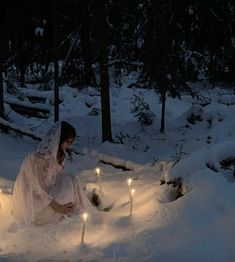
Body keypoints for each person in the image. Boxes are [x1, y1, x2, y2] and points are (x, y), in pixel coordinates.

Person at [12, 121, 100, 226]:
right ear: (59, 139)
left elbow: (56, 177)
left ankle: (82, 209)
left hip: (47, 191)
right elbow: (38, 190)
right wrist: (57, 207)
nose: (69, 146)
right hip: (35, 202)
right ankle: (67, 211)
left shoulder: (56, 153)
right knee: (68, 191)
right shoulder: (38, 159)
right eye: (68, 142)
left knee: (72, 180)